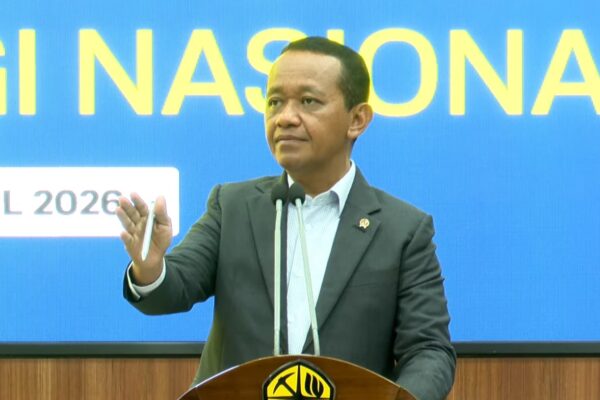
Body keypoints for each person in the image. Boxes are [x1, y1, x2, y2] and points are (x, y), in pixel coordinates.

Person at [117, 37, 456, 400]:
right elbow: (173, 290)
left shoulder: (403, 230)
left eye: (308, 101)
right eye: (275, 102)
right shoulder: (232, 206)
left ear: (357, 119)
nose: (285, 117)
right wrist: (150, 268)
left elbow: (429, 350)